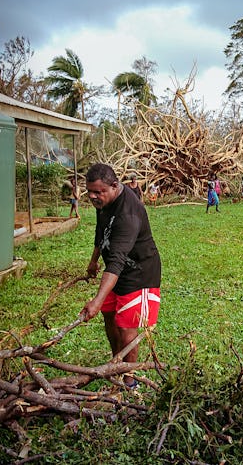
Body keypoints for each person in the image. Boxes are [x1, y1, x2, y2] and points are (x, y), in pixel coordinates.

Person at [80, 163, 162, 389]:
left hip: (139, 275)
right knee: (109, 317)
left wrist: (95, 300)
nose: (93, 197)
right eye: (89, 191)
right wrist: (94, 260)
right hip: (114, 273)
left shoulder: (128, 213)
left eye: (98, 192)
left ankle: (129, 378)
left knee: (127, 328)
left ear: (115, 186)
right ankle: (115, 363)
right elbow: (101, 231)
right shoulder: (104, 203)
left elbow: (116, 262)